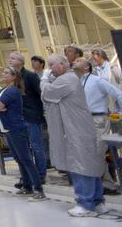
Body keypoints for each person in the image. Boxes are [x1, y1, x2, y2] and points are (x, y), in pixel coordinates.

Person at [42, 55, 107, 217]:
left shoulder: (67, 79)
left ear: (63, 65)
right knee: (88, 165)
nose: (50, 70)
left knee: (81, 166)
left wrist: (43, 80)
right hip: (78, 129)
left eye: (52, 65)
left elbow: (48, 93)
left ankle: (85, 203)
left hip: (77, 131)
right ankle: (97, 201)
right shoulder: (70, 78)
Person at [73, 57, 122, 186]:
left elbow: (119, 94)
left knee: (98, 153)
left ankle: (107, 183)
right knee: (91, 153)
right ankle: (104, 183)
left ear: (87, 67)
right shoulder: (78, 82)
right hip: (84, 120)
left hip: (98, 119)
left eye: (78, 61)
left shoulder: (97, 81)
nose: (74, 62)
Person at [0, 66, 46, 200]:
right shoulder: (4, 90)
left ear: (14, 77)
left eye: (6, 73)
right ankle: (27, 186)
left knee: (26, 159)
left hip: (16, 128)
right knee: (19, 159)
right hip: (9, 128)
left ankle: (38, 189)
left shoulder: (12, 91)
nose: (3, 74)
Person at [9, 51, 48, 179]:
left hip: (32, 115)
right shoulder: (14, 78)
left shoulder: (30, 76)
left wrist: (40, 112)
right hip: (20, 117)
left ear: (20, 61)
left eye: (13, 58)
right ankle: (29, 174)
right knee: (24, 147)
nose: (10, 60)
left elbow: (40, 94)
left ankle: (41, 174)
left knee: (36, 145)